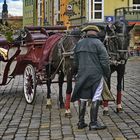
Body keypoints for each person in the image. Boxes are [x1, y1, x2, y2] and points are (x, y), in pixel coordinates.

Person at [71, 25, 110, 130]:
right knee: (96, 97)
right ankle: (93, 123)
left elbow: (75, 62)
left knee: (83, 98)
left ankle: (81, 122)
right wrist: (107, 73)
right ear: (96, 33)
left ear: (86, 33)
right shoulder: (99, 44)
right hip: (96, 75)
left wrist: (76, 73)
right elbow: (105, 61)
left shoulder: (79, 44)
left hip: (82, 75)